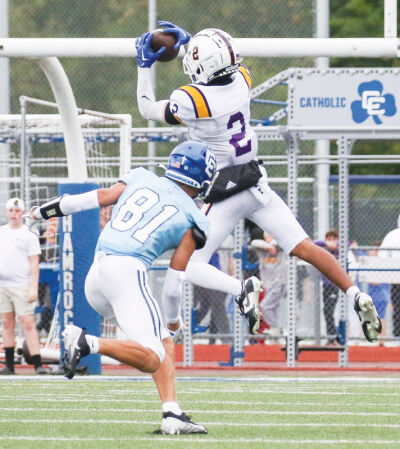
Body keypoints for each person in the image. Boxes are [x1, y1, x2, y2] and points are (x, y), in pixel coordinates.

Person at [134, 21, 381, 344]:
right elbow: (218, 65)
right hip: (255, 179)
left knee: (188, 265)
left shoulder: (192, 98)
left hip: (222, 189)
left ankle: (239, 290)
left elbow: (147, 108)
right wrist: (195, 42)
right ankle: (354, 293)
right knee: (305, 246)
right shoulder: (243, 79)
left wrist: (144, 66)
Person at [28, 140, 254, 434]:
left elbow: (94, 198)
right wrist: (174, 321)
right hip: (127, 273)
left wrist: (43, 211)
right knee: (152, 356)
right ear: (203, 181)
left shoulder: (141, 176)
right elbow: (172, 288)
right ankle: (87, 342)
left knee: (162, 340)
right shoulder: (195, 219)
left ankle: (172, 413)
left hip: (97, 273)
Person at [0, 197, 49, 375]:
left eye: (17, 211)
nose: (14, 214)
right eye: (11, 211)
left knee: (27, 322)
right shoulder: (2, 232)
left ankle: (37, 364)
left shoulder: (29, 234)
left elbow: (34, 263)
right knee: (7, 323)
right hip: (3, 285)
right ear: (6, 213)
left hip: (21, 284)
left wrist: (33, 287)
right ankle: (9, 365)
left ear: (22, 213)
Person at [251, 232, 287, 336]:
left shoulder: (279, 247)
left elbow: (280, 242)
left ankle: (275, 327)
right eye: (267, 236)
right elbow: (254, 242)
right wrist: (269, 246)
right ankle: (276, 331)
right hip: (268, 284)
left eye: (271, 236)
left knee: (264, 306)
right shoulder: (262, 249)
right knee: (272, 308)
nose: (269, 239)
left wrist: (273, 244)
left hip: (279, 283)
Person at [379, 215, 400, 337]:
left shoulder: (392, 235)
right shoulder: (393, 235)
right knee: (397, 307)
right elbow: (383, 256)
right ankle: (397, 334)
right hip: (396, 278)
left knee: (397, 307)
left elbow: (382, 255)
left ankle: (397, 334)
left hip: (395, 278)